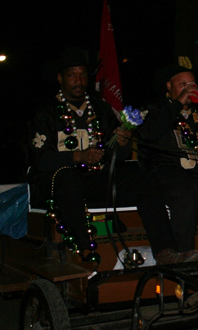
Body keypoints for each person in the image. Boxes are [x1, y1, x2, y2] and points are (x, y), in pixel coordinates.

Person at [28, 49, 172, 263]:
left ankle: (165, 251)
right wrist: (77, 157)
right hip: (58, 183)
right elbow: (40, 160)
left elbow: (116, 154)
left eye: (83, 75)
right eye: (72, 75)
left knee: (145, 181)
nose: (79, 80)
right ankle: (85, 251)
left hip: (95, 179)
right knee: (70, 179)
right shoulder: (45, 112)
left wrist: (122, 143)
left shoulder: (100, 109)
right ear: (60, 78)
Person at [139, 64, 198, 265]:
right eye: (182, 84)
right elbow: (149, 134)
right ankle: (184, 256)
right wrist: (177, 103)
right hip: (166, 172)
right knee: (185, 192)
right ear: (169, 86)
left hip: (196, 175)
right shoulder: (154, 109)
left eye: (191, 84)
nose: (188, 88)